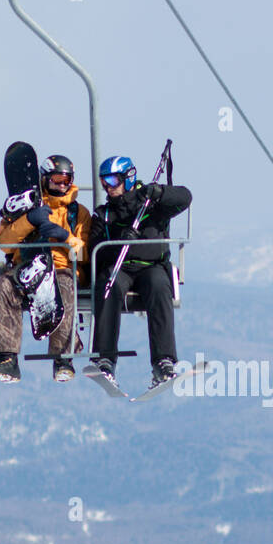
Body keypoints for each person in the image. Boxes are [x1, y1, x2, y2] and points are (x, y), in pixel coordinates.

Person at [89, 154, 191, 388]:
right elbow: (94, 249)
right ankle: (105, 358)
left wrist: (159, 193)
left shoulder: (152, 206)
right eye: (103, 181)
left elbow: (185, 198)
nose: (107, 187)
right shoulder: (104, 214)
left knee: (158, 285)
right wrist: (117, 242)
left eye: (112, 180)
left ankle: (163, 360)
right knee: (108, 285)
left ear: (127, 178)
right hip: (120, 267)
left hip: (151, 267)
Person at [0, 154, 90, 383]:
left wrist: (65, 237)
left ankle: (63, 356)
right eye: (56, 180)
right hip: (28, 264)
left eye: (66, 181)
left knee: (62, 288)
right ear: (44, 179)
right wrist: (30, 220)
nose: (61, 185)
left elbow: (84, 255)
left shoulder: (77, 213)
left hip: (61, 267)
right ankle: (7, 359)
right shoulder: (23, 207)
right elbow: (5, 242)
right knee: (3, 286)